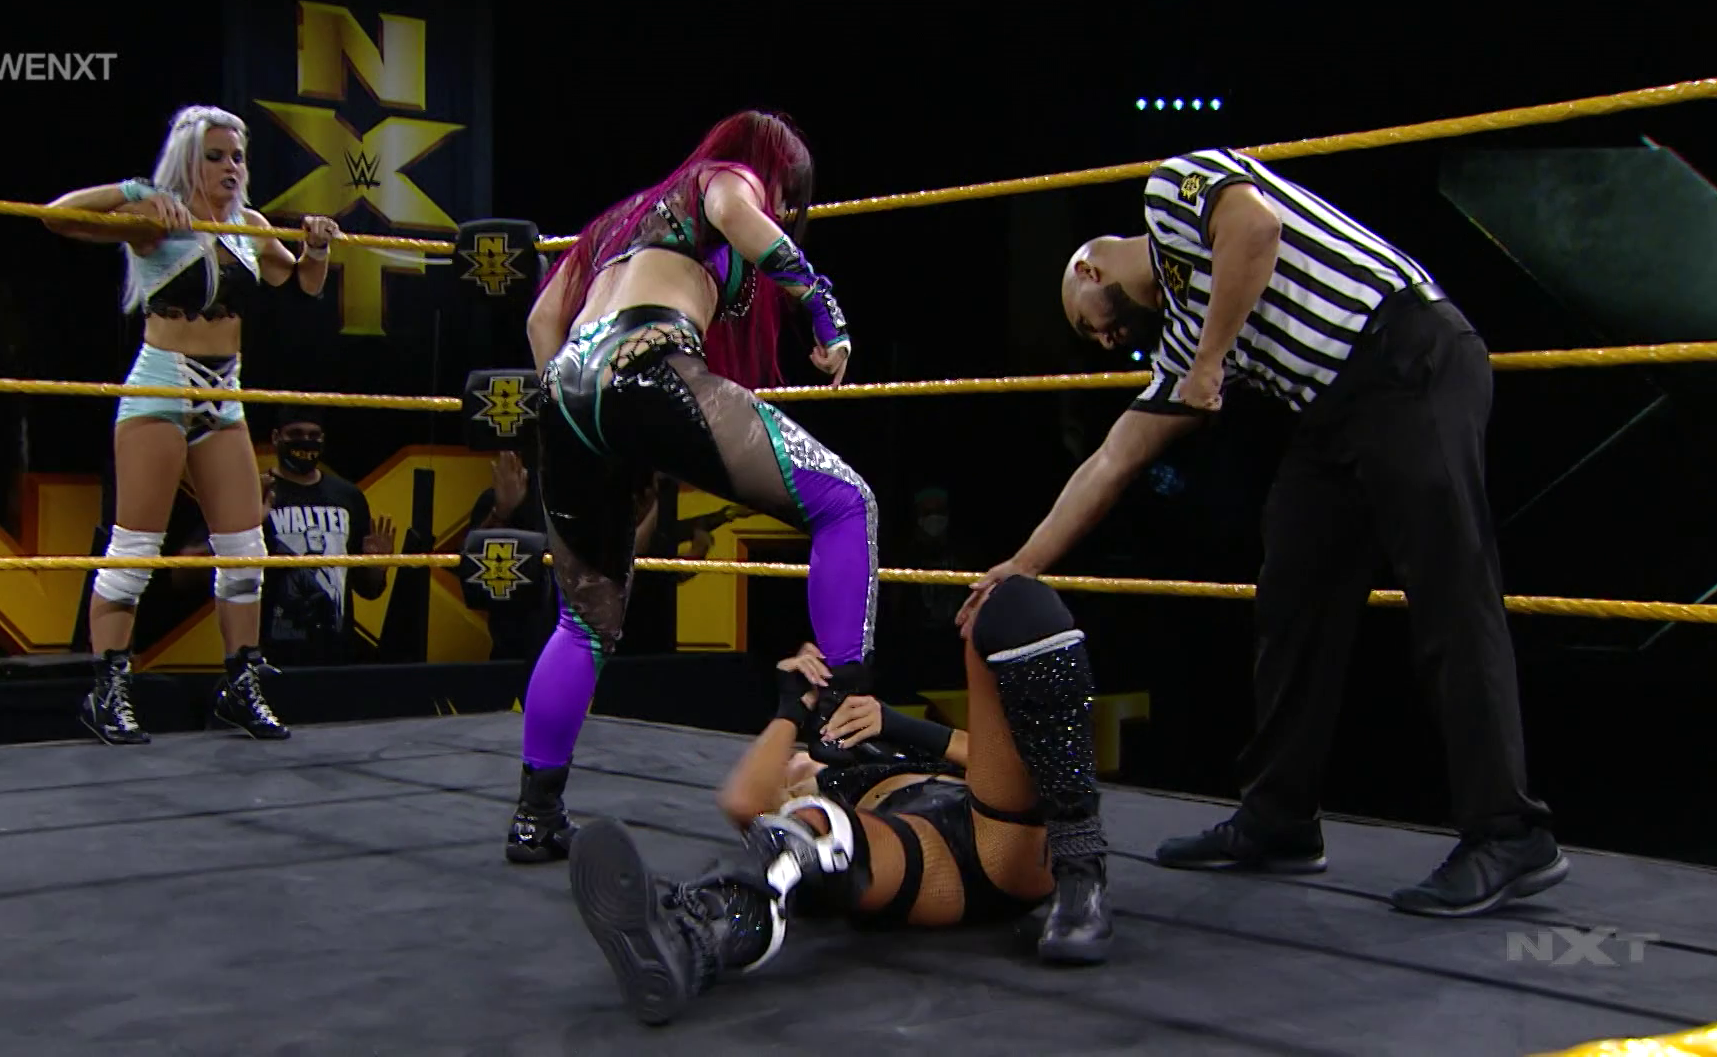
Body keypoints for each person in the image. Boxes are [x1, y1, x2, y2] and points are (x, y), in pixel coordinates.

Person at [956, 146, 1566, 918]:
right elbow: (1113, 459)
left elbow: (1255, 228)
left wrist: (1212, 363)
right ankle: (1280, 817)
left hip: (1406, 356)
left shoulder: (1169, 194)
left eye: (1090, 326)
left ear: (1089, 270)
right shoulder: (1183, 339)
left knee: (1450, 598)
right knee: (1291, 600)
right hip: (1329, 412)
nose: (1103, 344)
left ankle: (1509, 832)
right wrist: (1023, 563)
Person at [506, 109, 875, 863]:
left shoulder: (614, 224)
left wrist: (590, 421)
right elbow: (735, 210)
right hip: (649, 360)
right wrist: (819, 304)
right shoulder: (721, 179)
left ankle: (534, 817)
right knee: (846, 503)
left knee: (584, 624)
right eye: (786, 195)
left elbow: (544, 319)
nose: (783, 210)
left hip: (567, 389)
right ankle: (846, 734)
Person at [569, 576, 1116, 1026]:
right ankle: (691, 942)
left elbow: (997, 756)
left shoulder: (887, 743)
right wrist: (792, 708)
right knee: (814, 832)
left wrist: (896, 724)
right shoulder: (806, 782)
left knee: (1015, 602)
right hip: (925, 858)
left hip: (998, 830)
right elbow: (742, 802)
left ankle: (1082, 872)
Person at [42, 104, 342, 746]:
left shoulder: (250, 226)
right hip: (162, 385)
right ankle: (107, 688)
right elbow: (57, 216)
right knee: (135, 550)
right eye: (215, 156)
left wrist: (316, 247)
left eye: (238, 156)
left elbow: (303, 285)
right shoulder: (158, 218)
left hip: (224, 394)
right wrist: (134, 191)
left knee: (245, 550)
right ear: (188, 161)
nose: (231, 167)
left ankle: (240, 684)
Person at [178, 405, 395, 666]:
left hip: (337, 658)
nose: (305, 441)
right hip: (270, 656)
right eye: (296, 434)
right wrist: (244, 526)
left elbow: (368, 589)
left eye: (313, 435)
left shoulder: (348, 497)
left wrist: (377, 567)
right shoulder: (254, 492)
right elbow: (184, 573)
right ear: (276, 437)